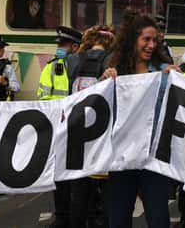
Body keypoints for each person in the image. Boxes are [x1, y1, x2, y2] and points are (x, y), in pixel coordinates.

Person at [101, 9, 179, 228]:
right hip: (122, 157)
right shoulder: (115, 71)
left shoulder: (164, 71)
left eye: (155, 40)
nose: (151, 45)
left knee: (158, 218)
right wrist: (103, 81)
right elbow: (97, 107)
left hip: (152, 158)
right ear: (133, 40)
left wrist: (177, 80)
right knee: (118, 218)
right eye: (146, 39)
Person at [63, 25, 115, 228]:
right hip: (101, 132)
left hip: (75, 130)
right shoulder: (112, 62)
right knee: (105, 191)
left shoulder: (72, 60)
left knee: (79, 191)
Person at [36, 26, 82, 228]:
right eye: (59, 45)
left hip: (81, 129)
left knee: (80, 178)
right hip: (58, 129)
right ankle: (62, 217)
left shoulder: (84, 66)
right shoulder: (52, 67)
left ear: (75, 46)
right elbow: (42, 96)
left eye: (63, 45)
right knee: (60, 177)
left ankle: (79, 216)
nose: (59, 48)